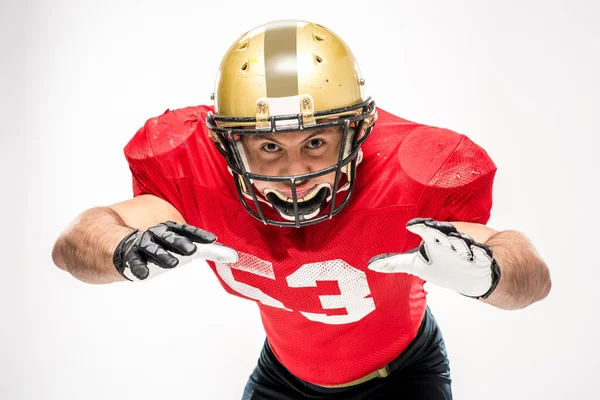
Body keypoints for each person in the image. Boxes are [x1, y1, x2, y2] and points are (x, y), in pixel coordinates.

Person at [52, 19, 551, 399]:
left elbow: (530, 278)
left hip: (402, 376)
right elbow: (77, 242)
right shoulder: (191, 169)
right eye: (269, 146)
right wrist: (122, 248)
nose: (295, 174)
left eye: (315, 141)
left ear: (357, 132)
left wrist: (489, 272)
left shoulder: (415, 171)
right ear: (229, 147)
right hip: (282, 375)